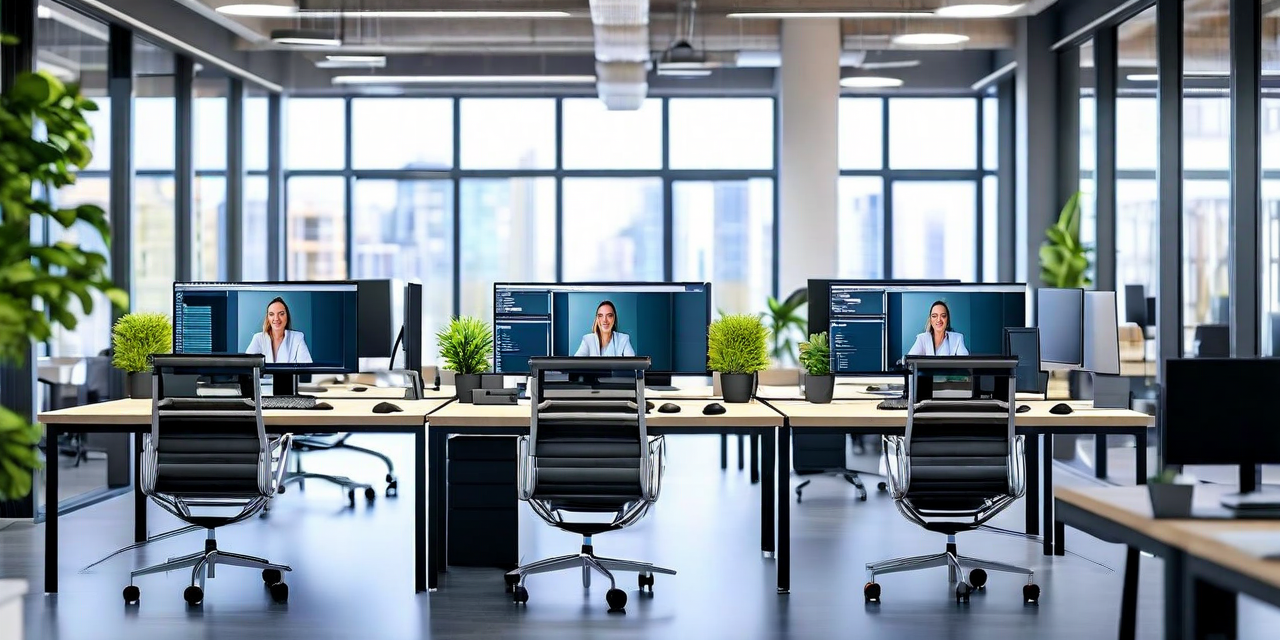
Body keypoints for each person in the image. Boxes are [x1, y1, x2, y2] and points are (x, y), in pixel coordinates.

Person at [245, 297, 313, 364]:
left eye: (281, 314)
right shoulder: (258, 338)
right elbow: (246, 365)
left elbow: (307, 367)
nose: (276, 318)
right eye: (271, 314)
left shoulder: (297, 338)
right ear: (268, 318)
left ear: (287, 316)